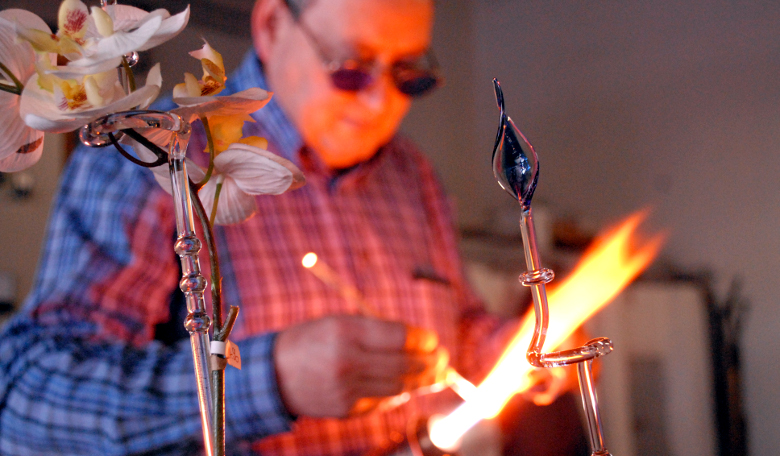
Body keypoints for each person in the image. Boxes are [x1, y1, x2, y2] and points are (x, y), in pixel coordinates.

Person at [0, 0, 574, 454]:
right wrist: (269, 382)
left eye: (409, 75)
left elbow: (457, 338)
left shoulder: (410, 174)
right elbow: (27, 398)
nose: (379, 101)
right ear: (273, 26)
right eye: (349, 67)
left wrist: (513, 348)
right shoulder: (156, 156)